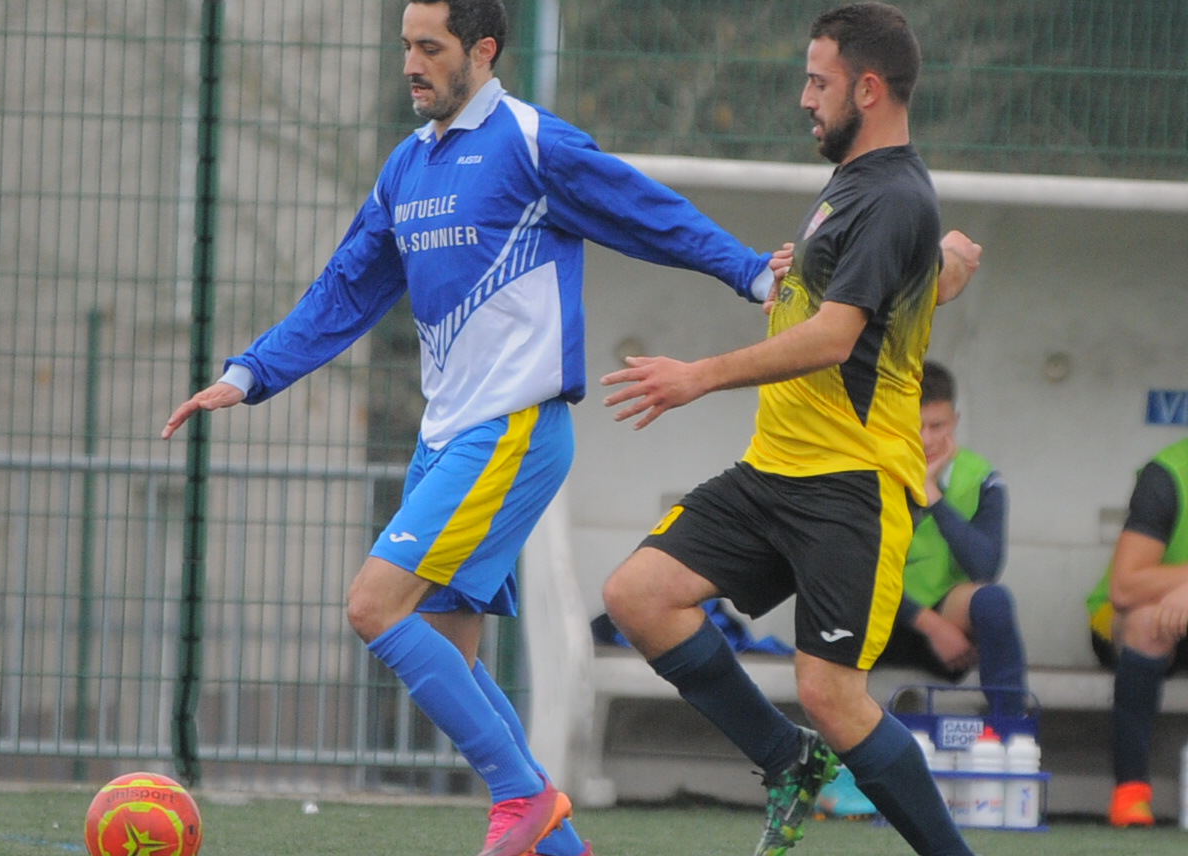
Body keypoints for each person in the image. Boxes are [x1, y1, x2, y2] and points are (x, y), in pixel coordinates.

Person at [162, 2, 785, 855]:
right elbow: (347, 286)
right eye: (406, 47)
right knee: (450, 656)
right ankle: (555, 838)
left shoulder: (532, 142)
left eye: (430, 48)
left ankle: (522, 795)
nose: (412, 64)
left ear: (482, 51)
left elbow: (647, 212)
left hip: (512, 433)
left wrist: (751, 274)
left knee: (374, 607)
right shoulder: (407, 165)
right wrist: (250, 371)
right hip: (444, 441)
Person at [599, 4, 982, 856]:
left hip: (850, 489)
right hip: (774, 472)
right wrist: (939, 264)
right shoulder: (857, 186)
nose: (805, 98)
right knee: (638, 596)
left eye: (819, 81)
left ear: (869, 87)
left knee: (834, 696)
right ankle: (786, 763)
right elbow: (900, 285)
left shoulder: (891, 195)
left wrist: (694, 375)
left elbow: (836, 338)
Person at [874, 359, 1026, 716]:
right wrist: (930, 625)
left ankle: (1009, 728)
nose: (926, 439)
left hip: (949, 636)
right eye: (915, 427)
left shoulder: (981, 477)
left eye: (937, 426)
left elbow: (985, 568)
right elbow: (856, 574)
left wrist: (932, 494)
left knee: (992, 600)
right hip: (876, 628)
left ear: (955, 422)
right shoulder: (869, 471)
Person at [1086, 434, 1188, 827]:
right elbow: (1125, 586)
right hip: (1133, 617)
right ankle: (1131, 794)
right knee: (1148, 624)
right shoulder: (1168, 474)